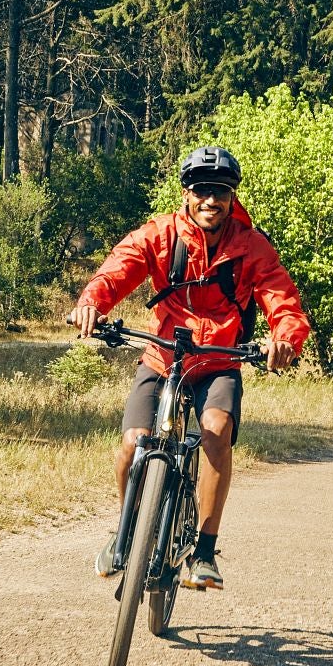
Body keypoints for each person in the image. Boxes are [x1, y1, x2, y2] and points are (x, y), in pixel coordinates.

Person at [70, 145, 310, 590]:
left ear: (232, 196)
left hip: (220, 359)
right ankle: (126, 534)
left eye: (220, 192)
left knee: (216, 430)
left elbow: (281, 297)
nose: (210, 201)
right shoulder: (161, 235)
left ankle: (204, 550)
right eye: (202, 190)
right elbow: (117, 270)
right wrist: (91, 304)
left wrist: (285, 338)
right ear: (186, 193)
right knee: (134, 443)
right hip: (164, 355)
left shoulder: (250, 246)